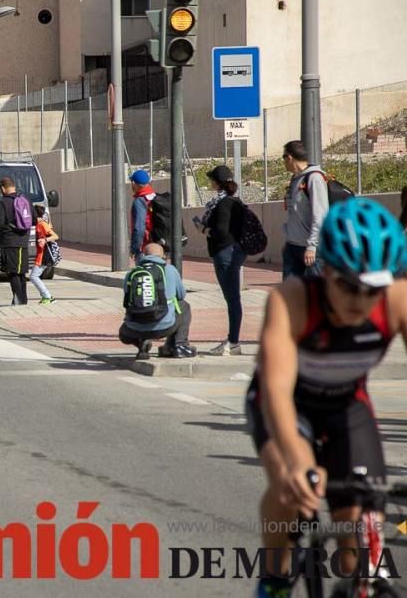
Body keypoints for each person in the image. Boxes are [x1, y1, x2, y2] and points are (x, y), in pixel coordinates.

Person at [246, 198, 407, 597]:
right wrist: (300, 463)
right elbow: (277, 391)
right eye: (349, 287)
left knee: (359, 535)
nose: (361, 301)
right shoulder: (291, 299)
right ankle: (274, 575)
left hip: (345, 405)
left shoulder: (397, 300)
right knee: (291, 487)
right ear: (326, 269)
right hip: (285, 403)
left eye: (373, 290)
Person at [196, 165, 246, 355]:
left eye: (212, 180)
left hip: (225, 253)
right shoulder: (235, 200)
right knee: (233, 298)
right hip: (234, 251)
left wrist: (203, 229)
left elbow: (221, 231)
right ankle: (233, 340)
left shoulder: (223, 203)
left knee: (232, 298)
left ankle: (233, 342)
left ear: (218, 183)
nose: (210, 183)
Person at [118, 243, 196, 359]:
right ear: (163, 256)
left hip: (133, 329)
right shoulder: (170, 270)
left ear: (144, 255)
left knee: (124, 333)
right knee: (183, 306)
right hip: (164, 327)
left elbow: (127, 300)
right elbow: (181, 295)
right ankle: (180, 345)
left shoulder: (131, 273)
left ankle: (141, 344)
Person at [282, 139, 328, 279]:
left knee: (313, 296)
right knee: (290, 295)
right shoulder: (295, 179)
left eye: (283, 157)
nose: (283, 162)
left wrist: (312, 246)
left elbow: (320, 215)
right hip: (292, 247)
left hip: (310, 251)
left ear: (289, 157)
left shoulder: (314, 179)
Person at [0, 176, 31, 305]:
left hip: (9, 242)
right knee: (21, 273)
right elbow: (32, 220)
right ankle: (22, 300)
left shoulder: (3, 202)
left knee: (13, 273)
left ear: (3, 189)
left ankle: (19, 300)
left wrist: (6, 228)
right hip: (23, 241)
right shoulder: (25, 199)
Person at [31, 206, 58, 305]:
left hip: (43, 255)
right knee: (34, 276)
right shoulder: (38, 224)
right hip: (40, 255)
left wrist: (44, 239)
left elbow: (55, 236)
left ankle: (48, 296)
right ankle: (46, 296)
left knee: (34, 277)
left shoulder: (42, 224)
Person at [129, 169, 157, 263]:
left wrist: (134, 248)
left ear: (134, 183)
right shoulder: (155, 197)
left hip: (145, 247)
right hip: (158, 245)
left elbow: (139, 227)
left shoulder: (140, 201)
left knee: (143, 275)